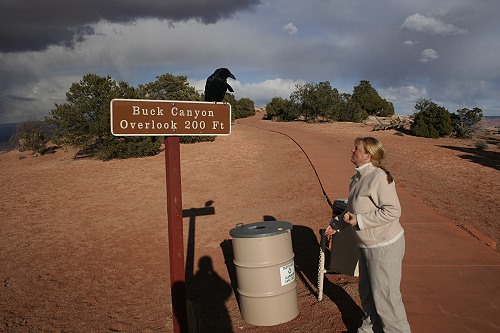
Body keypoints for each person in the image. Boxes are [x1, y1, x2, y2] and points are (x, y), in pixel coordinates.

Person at [325, 137, 411, 333]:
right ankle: (369, 330)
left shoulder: (378, 177)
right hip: (366, 245)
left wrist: (360, 221)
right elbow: (352, 208)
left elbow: (392, 211)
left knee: (386, 299)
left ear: (367, 155)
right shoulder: (356, 178)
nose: (352, 150)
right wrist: (337, 225)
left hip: (384, 246)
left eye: (356, 148)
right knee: (368, 294)